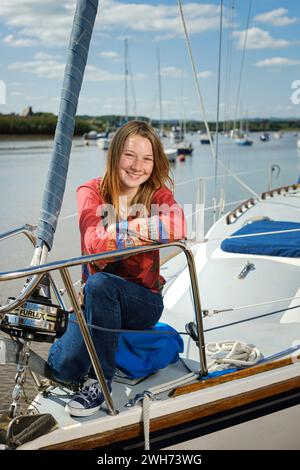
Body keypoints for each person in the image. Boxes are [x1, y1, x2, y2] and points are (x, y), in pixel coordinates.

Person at [48, 120, 186, 417]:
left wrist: (122, 228)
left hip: (142, 302)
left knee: (101, 285)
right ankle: (82, 350)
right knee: (61, 368)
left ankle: (100, 381)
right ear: (114, 155)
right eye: (130, 155)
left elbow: (177, 226)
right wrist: (142, 227)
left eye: (147, 158)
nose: (138, 166)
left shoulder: (157, 193)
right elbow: (94, 243)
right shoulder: (91, 191)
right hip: (95, 302)